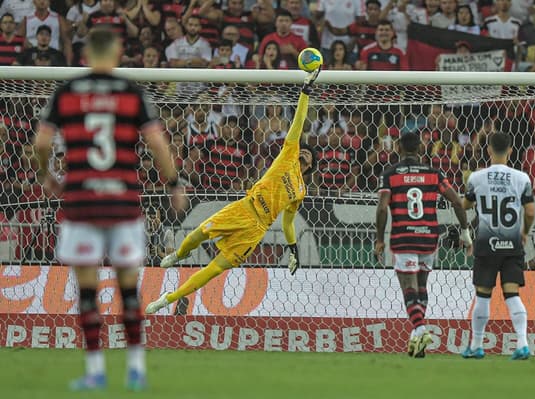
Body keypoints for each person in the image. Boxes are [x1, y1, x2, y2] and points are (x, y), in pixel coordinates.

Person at [33, 27, 185, 391]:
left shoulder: (66, 92)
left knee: (86, 292)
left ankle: (95, 371)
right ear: (117, 51)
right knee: (129, 290)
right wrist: (173, 183)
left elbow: (40, 142)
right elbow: (157, 143)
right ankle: (135, 369)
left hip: (82, 204)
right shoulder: (131, 93)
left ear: (85, 54)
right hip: (122, 203)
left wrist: (47, 175)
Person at [144, 67, 321, 315]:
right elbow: (299, 123)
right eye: (304, 150)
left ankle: (167, 298)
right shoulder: (288, 156)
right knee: (198, 236)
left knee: (215, 269)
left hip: (256, 229)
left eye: (309, 156)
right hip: (244, 208)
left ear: (311, 165)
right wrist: (306, 91)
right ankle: (180, 254)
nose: (305, 153)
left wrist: (293, 250)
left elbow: (289, 223)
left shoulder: (301, 191)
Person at [374, 132, 472, 358]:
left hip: (404, 239)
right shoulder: (434, 174)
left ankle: (419, 329)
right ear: (420, 149)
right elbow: (457, 201)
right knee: (421, 288)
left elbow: (381, 208)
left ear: (399, 148)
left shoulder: (390, 175)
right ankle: (417, 340)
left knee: (408, 288)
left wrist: (379, 239)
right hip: (429, 239)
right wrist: (465, 232)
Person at [461, 131, 535, 360]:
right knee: (512, 294)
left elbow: (463, 206)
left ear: (489, 150)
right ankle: (522, 344)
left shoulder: (476, 177)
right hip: (512, 246)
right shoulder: (521, 178)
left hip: (486, 245)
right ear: (511, 150)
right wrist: (523, 232)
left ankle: (475, 346)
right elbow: (531, 211)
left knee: (483, 295)